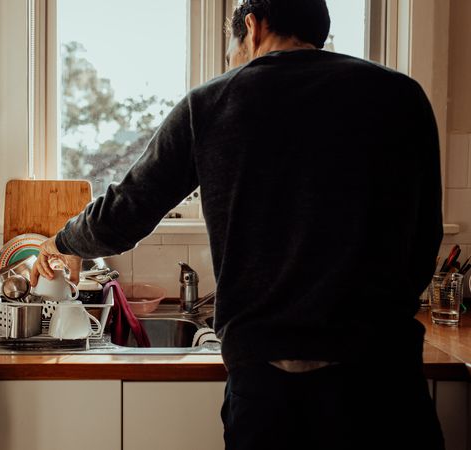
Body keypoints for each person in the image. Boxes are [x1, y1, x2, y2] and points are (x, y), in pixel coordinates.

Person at [31, 0, 444, 448]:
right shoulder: (401, 96)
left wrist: (61, 241)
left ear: (252, 26)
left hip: (269, 388)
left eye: (233, 54)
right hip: (382, 379)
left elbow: (124, 214)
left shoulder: (211, 103)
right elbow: (424, 241)